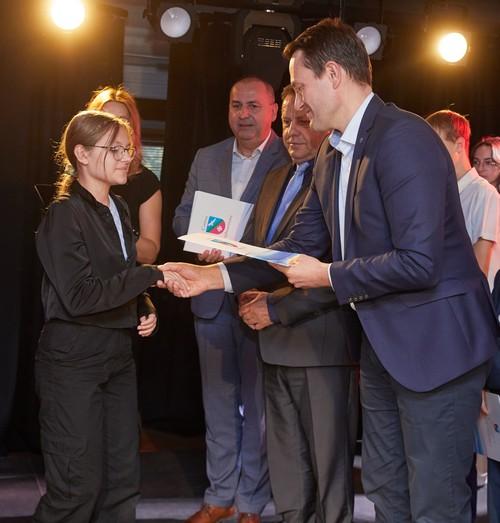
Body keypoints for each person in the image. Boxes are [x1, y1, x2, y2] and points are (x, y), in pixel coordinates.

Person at [159, 18, 499, 522]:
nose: (296, 103)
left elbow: (419, 262)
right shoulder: (330, 155)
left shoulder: (403, 137)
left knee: (435, 503)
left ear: (334, 74)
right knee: (387, 491)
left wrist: (328, 276)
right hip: (383, 350)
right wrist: (215, 276)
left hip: (437, 349)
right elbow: (297, 245)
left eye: (300, 87)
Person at [34, 110, 171, 522]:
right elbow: (79, 296)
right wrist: (151, 275)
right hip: (72, 361)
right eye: (115, 150)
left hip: (116, 357)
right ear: (82, 154)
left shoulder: (120, 208)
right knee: (76, 489)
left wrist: (144, 305)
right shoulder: (63, 214)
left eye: (128, 149)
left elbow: (120, 275)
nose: (127, 158)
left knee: (121, 483)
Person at [237, 84, 361, 523]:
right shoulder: (275, 178)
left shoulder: (341, 180)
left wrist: (274, 306)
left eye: (303, 121)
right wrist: (241, 284)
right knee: (288, 473)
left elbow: (339, 270)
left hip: (321, 345)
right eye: (287, 121)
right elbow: (264, 254)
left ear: (326, 123)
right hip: (272, 343)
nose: (292, 130)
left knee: (329, 476)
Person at [173, 76, 289, 523]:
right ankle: (219, 496)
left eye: (253, 106)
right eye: (236, 105)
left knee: (259, 408)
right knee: (218, 404)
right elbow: (182, 216)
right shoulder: (207, 157)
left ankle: (251, 503)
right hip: (210, 298)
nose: (244, 114)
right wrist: (201, 243)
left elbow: (291, 232)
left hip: (259, 297)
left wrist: (240, 251)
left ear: (273, 111)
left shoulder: (290, 158)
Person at [86, 86, 162, 264]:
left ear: (132, 129)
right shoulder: (79, 176)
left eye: (121, 121)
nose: (114, 128)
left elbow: (150, 255)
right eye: (106, 120)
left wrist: (116, 226)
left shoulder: (146, 182)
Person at [426, 111, 500, 289]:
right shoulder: (440, 194)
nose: (428, 153)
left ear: (459, 145)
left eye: (435, 144)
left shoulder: (484, 193)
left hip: (472, 301)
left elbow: (479, 271)